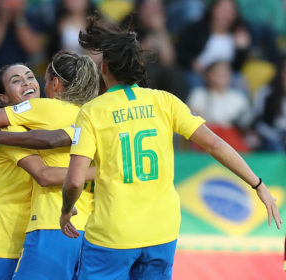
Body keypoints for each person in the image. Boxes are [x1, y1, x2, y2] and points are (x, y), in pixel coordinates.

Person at [59, 15, 282, 280]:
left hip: (113, 234)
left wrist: (65, 211)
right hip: (161, 232)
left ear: (104, 67)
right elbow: (215, 145)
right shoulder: (165, 101)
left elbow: (74, 181)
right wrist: (258, 184)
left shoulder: (92, 112)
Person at [0, 51, 99, 279]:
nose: (27, 82)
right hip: (4, 238)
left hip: (45, 227)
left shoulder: (37, 119)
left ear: (54, 83)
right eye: (16, 80)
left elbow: (45, 161)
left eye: (31, 77)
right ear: (3, 97)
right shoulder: (90, 117)